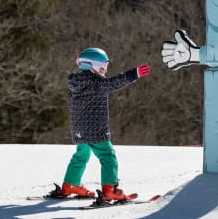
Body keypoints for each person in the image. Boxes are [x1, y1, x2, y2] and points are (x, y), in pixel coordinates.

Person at [54, 47, 150, 200]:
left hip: (78, 129)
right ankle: (109, 190)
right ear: (95, 65)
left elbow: (70, 105)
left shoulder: (75, 84)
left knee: (81, 155)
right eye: (104, 66)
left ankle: (70, 185)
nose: (105, 70)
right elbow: (114, 83)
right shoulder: (97, 82)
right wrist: (133, 74)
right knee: (108, 156)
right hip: (96, 130)